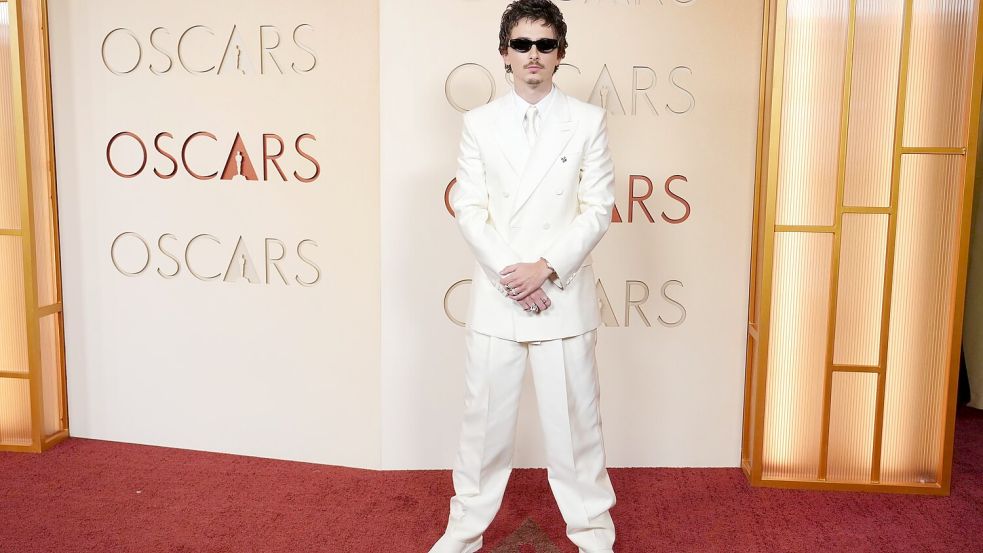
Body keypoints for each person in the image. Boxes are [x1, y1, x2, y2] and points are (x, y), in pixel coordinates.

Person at [429, 1, 617, 552]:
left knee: (576, 432)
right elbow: (470, 209)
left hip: (560, 294)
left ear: (561, 52)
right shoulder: (479, 123)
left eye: (544, 44)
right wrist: (516, 278)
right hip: (499, 296)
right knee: (482, 430)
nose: (532, 55)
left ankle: (593, 535)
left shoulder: (587, 121)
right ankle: (463, 533)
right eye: (521, 45)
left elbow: (597, 209)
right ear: (504, 54)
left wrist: (546, 270)